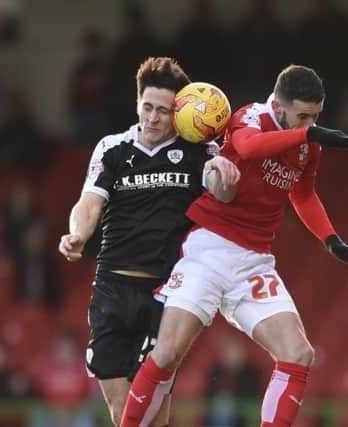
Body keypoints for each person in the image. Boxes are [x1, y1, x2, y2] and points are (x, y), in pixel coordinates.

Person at [120, 64, 348, 427]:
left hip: (254, 262)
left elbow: (302, 195)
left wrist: (331, 239)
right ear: (279, 105)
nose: (307, 124)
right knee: (167, 353)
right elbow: (247, 146)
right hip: (209, 248)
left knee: (299, 353)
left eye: (315, 117)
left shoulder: (306, 143)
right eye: (302, 116)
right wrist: (309, 134)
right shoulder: (251, 116)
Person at [58, 56, 240, 427]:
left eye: (163, 110)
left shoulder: (198, 151)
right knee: (120, 410)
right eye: (147, 108)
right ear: (138, 104)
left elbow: (223, 195)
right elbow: (89, 202)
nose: (153, 118)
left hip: (166, 295)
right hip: (112, 288)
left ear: (179, 112)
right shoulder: (112, 148)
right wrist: (78, 233)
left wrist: (227, 176)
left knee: (150, 412)